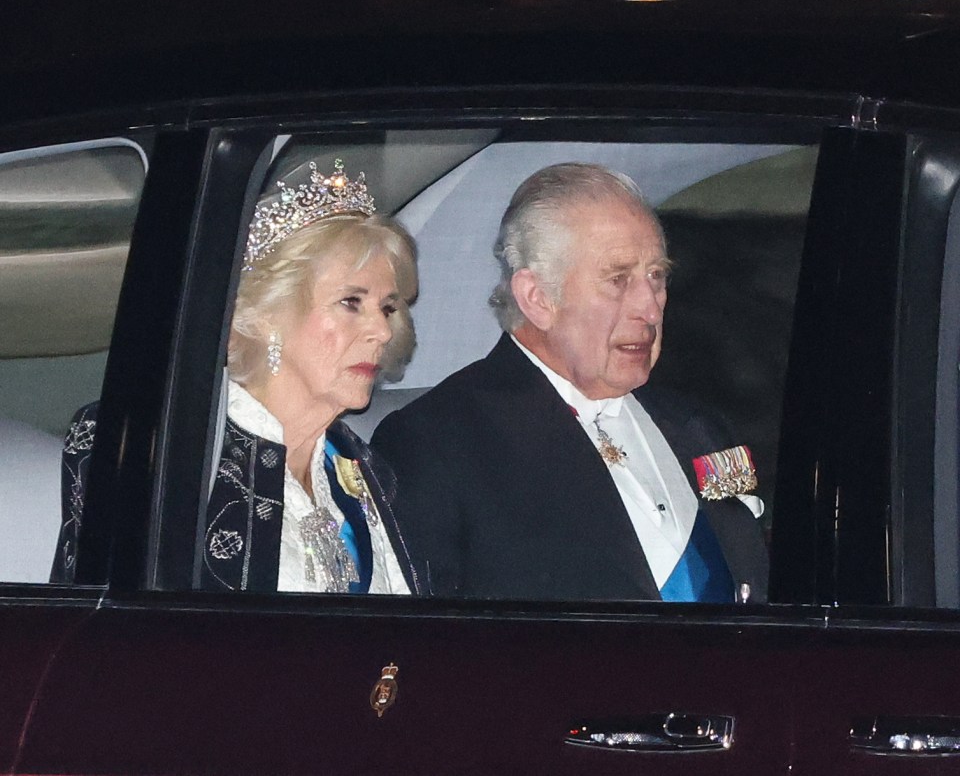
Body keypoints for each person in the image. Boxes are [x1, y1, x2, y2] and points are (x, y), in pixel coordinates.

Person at [372, 162, 768, 602]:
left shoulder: (698, 427)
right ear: (538, 298)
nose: (650, 308)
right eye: (617, 280)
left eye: (656, 276)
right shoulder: (440, 443)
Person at [53, 159, 420, 595]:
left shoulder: (364, 467)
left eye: (388, 308)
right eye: (351, 302)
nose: (381, 331)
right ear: (267, 314)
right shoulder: (157, 449)